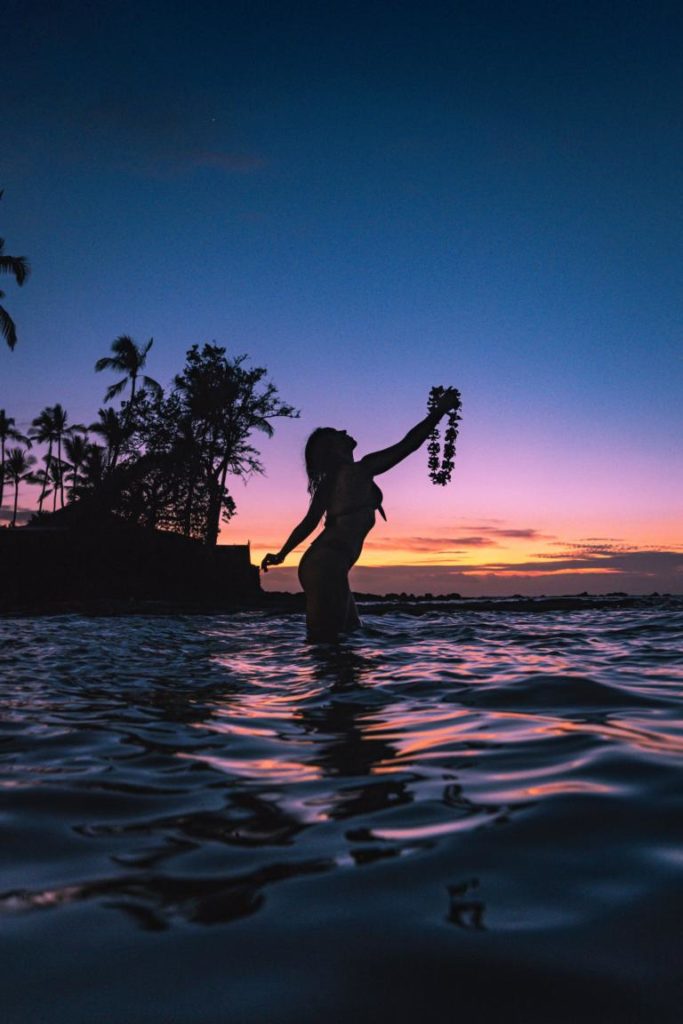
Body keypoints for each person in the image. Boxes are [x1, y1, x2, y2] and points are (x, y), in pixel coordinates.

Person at [261, 388, 460, 641]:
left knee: (347, 637)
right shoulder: (360, 469)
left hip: (327, 566)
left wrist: (282, 554)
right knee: (329, 645)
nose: (344, 432)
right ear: (333, 449)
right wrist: (440, 410)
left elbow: (309, 523)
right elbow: (408, 445)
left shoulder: (339, 479)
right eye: (337, 434)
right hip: (325, 566)